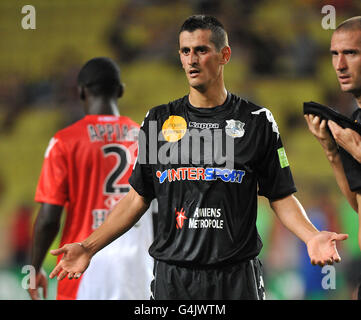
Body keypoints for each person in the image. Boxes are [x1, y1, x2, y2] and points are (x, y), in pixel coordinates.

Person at [49, 15, 348, 300]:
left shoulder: (257, 120)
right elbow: (136, 198)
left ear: (224, 55)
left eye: (201, 50)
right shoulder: (157, 121)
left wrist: (311, 237)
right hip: (174, 279)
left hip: (237, 278)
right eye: (185, 51)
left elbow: (280, 196)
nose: (191, 60)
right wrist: (88, 247)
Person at [29, 57, 154, 300]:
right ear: (120, 90)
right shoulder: (145, 138)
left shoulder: (64, 142)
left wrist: (34, 268)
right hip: (138, 267)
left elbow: (48, 217)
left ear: (81, 92)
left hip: (80, 266)